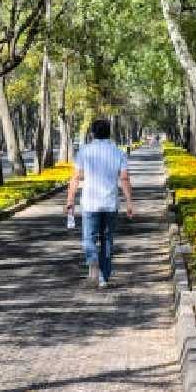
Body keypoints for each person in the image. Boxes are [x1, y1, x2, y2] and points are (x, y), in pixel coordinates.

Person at [65, 119, 134, 288]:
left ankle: (93, 262)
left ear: (92, 133)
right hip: (110, 203)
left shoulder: (84, 151)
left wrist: (70, 200)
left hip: (90, 203)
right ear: (109, 133)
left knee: (89, 238)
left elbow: (76, 177)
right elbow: (124, 178)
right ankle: (104, 277)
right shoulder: (118, 153)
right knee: (107, 240)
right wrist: (129, 203)